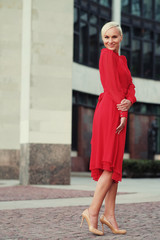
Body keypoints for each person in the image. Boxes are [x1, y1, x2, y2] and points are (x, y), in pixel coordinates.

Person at [80, 21, 136, 236]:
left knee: (113, 167)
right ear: (103, 40)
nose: (110, 41)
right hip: (110, 112)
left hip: (119, 110)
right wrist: (123, 112)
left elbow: (130, 86)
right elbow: (112, 87)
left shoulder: (122, 59)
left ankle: (109, 215)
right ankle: (92, 212)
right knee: (109, 167)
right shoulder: (106, 56)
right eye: (106, 37)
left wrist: (129, 102)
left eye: (114, 37)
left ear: (121, 38)